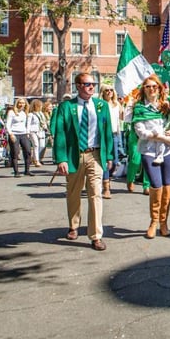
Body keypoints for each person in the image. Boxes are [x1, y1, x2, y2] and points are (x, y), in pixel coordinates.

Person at [52, 73, 114, 251]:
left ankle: (96, 235)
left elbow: (108, 132)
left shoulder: (102, 106)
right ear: (78, 86)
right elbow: (60, 132)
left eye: (93, 84)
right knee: (73, 192)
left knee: (96, 194)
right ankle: (73, 225)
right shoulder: (66, 106)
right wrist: (61, 158)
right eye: (87, 84)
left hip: (95, 154)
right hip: (74, 155)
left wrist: (109, 155)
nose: (91, 87)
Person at [133, 75, 170, 239]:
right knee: (156, 184)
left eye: (155, 86)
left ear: (160, 88)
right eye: (148, 87)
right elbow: (141, 132)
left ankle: (164, 222)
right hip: (149, 150)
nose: (152, 89)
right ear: (143, 89)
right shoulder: (138, 108)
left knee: (167, 185)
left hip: (167, 151)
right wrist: (162, 137)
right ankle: (153, 221)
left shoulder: (165, 107)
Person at [6, 98, 32, 178]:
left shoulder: (25, 113)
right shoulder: (12, 112)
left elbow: (28, 124)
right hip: (14, 133)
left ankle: (27, 171)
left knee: (28, 151)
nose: (21, 104)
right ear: (17, 103)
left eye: (23, 103)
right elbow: (8, 124)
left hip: (23, 133)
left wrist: (28, 132)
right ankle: (16, 172)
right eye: (20, 103)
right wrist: (10, 134)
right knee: (15, 152)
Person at [27, 99, 46, 167]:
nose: (41, 107)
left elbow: (44, 122)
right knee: (36, 145)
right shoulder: (31, 114)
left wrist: (45, 126)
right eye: (40, 105)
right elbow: (28, 124)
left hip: (41, 131)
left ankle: (34, 157)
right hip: (33, 131)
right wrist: (27, 132)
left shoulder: (41, 114)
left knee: (42, 145)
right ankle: (36, 161)